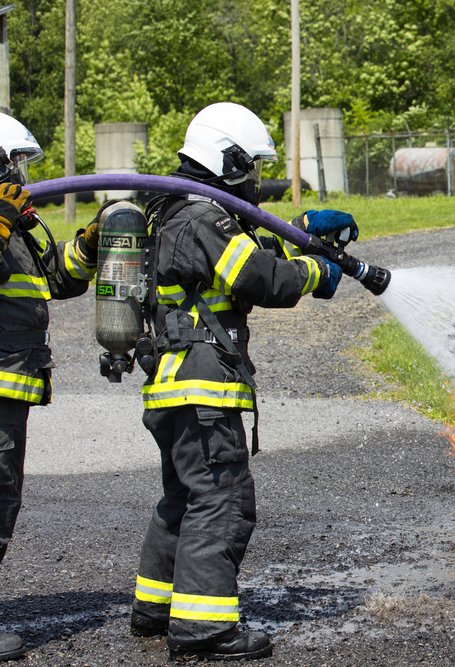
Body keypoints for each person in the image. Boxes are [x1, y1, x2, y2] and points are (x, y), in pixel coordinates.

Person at [128, 102, 357, 661]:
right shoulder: (201, 218)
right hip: (203, 384)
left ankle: (157, 608)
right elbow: (256, 277)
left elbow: (239, 263)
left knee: (184, 497)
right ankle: (204, 628)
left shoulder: (177, 211)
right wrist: (315, 270)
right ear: (225, 158)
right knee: (223, 499)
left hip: (174, 384)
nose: (253, 177)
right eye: (248, 165)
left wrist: (295, 232)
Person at [0, 114, 99, 661]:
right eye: (13, 162)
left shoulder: (14, 224)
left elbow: (53, 277)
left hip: (12, 388)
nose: (20, 174)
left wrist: (88, 244)